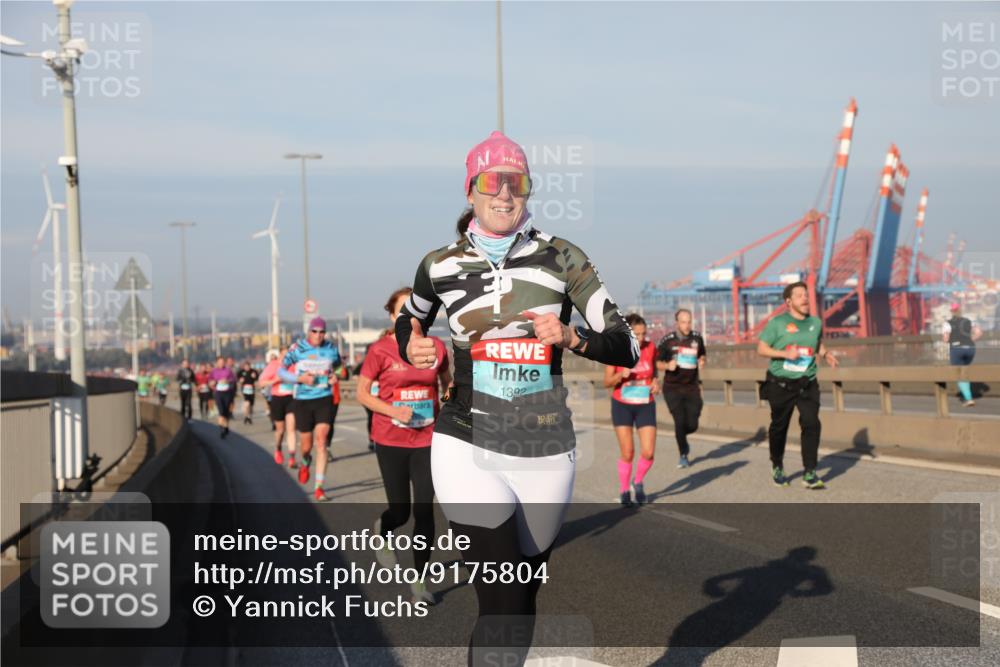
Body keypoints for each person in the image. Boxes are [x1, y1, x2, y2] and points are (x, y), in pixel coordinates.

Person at [395, 131, 638, 666]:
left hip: (545, 445)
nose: (505, 195)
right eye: (492, 183)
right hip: (466, 439)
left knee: (522, 600)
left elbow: (628, 346)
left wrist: (573, 338)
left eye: (518, 184)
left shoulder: (563, 258)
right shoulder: (439, 265)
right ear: (471, 191)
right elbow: (411, 316)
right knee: (501, 601)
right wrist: (410, 342)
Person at [358, 287, 452, 605]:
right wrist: (392, 410)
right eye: (402, 311)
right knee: (401, 511)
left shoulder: (437, 347)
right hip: (390, 439)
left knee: (424, 511)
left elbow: (446, 384)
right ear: (391, 316)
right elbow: (362, 395)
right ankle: (383, 530)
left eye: (416, 310)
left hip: (427, 439)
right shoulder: (380, 350)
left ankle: (420, 584)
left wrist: (453, 398)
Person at [757, 282, 838, 489]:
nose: (805, 299)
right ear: (788, 302)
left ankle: (809, 472)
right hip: (780, 384)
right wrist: (785, 354)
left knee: (812, 424)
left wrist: (826, 354)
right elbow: (762, 349)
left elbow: (816, 342)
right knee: (779, 427)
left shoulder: (815, 323)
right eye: (799, 295)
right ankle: (777, 465)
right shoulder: (777, 323)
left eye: (806, 295)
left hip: (807, 383)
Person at [279, 318, 342, 501]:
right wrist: (300, 380)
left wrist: (334, 377)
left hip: (324, 399)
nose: (318, 335)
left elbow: (338, 368)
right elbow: (281, 372)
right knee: (306, 446)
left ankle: (319, 487)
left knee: (321, 442)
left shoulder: (331, 348)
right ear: (308, 332)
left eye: (321, 332)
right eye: (314, 331)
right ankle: (305, 461)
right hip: (303, 401)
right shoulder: (298, 348)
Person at [604, 313, 660, 506]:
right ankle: (624, 489)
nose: (642, 338)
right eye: (637, 334)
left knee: (648, 451)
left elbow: (654, 372)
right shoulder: (616, 351)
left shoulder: (650, 347)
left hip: (645, 403)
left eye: (644, 334)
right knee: (628, 452)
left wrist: (655, 383)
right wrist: (620, 375)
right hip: (622, 405)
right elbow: (607, 382)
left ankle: (638, 481)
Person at [657, 308, 707, 469]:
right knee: (679, 421)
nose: (686, 325)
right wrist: (666, 365)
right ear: (677, 323)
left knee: (692, 424)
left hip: (692, 387)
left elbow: (702, 354)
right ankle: (683, 454)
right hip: (672, 388)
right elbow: (656, 362)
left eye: (689, 322)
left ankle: (682, 436)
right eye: (683, 322)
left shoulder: (697, 338)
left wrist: (702, 360)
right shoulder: (667, 341)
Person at [259, 347, 298, 466]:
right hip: (277, 399)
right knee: (280, 430)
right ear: (280, 355)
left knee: (291, 429)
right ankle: (278, 448)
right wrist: (275, 380)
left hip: (291, 398)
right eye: (285, 355)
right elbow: (261, 382)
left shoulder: (294, 365)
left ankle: (292, 457)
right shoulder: (274, 365)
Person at [943, 303, 982, 407]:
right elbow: (978, 333)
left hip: (956, 349)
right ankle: (967, 394)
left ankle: (968, 398)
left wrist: (953, 340)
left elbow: (946, 339)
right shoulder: (969, 321)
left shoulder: (948, 323)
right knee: (964, 370)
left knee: (959, 374)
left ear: (951, 311)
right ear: (960, 310)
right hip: (970, 349)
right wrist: (969, 340)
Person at [209, 355, 237, 438]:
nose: (221, 363)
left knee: (226, 411)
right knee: (221, 411)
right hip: (218, 393)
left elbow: (234, 380)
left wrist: (227, 381)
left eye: (222, 362)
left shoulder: (228, 370)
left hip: (227, 392)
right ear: (217, 363)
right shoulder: (213, 371)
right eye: (219, 362)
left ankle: (226, 426)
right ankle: (222, 429)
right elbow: (210, 380)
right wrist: (213, 383)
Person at [238, 360, 260, 425]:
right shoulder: (241, 372)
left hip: (252, 389)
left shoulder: (253, 371)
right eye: (245, 366)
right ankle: (246, 416)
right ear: (244, 367)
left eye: (248, 366)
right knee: (246, 403)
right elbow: (238, 380)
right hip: (245, 389)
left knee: (251, 405)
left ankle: (249, 416)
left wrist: (255, 377)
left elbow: (257, 379)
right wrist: (240, 381)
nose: (247, 367)